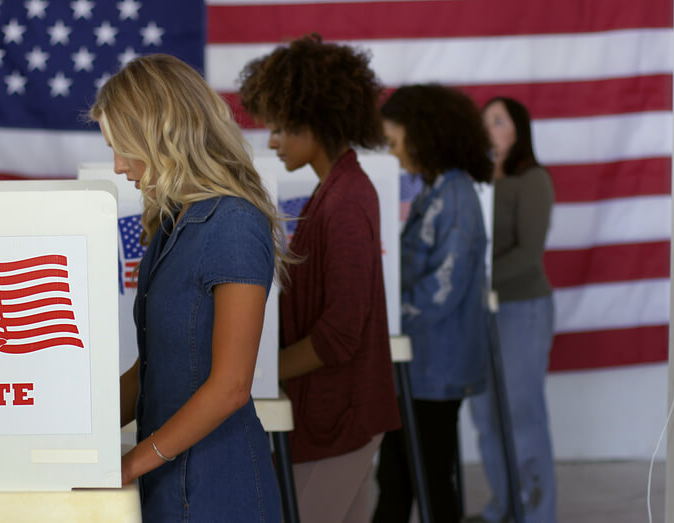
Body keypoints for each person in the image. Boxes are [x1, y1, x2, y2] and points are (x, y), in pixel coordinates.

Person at [92, 54, 289, 522]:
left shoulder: (234, 222)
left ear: (162, 136)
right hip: (168, 480)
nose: (118, 166)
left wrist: (129, 464)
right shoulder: (172, 222)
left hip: (219, 488)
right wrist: (77, 435)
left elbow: (231, 387)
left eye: (123, 147)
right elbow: (152, 369)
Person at [238, 34, 401, 523]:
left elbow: (340, 333)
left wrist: (255, 375)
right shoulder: (336, 191)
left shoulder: (347, 200)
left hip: (342, 414)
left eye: (281, 127)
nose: (270, 140)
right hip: (339, 413)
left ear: (316, 119)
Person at [371, 84, 493, 523]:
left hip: (435, 367)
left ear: (424, 136)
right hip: (419, 365)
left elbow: (442, 289)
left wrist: (380, 316)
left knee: (428, 479)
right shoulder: (435, 192)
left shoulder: (456, 198)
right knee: (400, 476)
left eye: (396, 142)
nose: (394, 154)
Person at [468, 97, 557, 523]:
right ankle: (504, 506)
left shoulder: (532, 179)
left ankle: (537, 513)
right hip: (478, 312)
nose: (490, 128)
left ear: (518, 130)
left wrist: (475, 280)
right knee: (485, 416)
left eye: (498, 121)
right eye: (485, 121)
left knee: (522, 413)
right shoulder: (474, 181)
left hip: (522, 308)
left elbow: (529, 252)